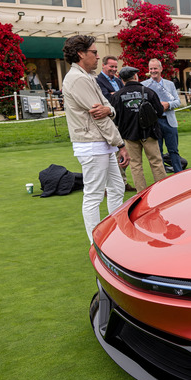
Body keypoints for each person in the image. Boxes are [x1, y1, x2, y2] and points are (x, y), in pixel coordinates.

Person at [61, 35, 129, 244]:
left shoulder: (87, 76)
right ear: (81, 54)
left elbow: (107, 107)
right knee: (93, 195)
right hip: (92, 144)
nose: (98, 57)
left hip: (101, 143)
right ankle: (96, 244)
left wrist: (110, 109)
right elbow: (99, 116)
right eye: (94, 52)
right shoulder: (79, 78)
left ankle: (115, 234)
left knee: (117, 187)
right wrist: (120, 143)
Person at [109, 66, 167, 192]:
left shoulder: (117, 96)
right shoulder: (148, 92)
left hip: (129, 135)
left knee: (135, 165)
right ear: (135, 76)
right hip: (149, 133)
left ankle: (141, 193)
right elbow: (159, 111)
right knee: (156, 162)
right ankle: (163, 191)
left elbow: (114, 117)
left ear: (122, 80)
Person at [94, 55, 134, 191]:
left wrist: (115, 94)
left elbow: (122, 96)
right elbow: (107, 98)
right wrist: (117, 95)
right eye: (111, 66)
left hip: (122, 120)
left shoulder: (118, 80)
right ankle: (107, 187)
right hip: (108, 122)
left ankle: (122, 182)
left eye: (116, 67)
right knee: (108, 155)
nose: (114, 69)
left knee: (123, 153)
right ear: (103, 66)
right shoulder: (97, 81)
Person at [142, 58, 183, 172]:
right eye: (151, 68)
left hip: (169, 122)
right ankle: (161, 176)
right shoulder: (144, 85)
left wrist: (167, 105)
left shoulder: (169, 84)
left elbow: (178, 101)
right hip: (154, 122)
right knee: (157, 151)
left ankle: (179, 174)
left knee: (173, 151)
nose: (153, 71)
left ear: (161, 69)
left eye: (155, 68)